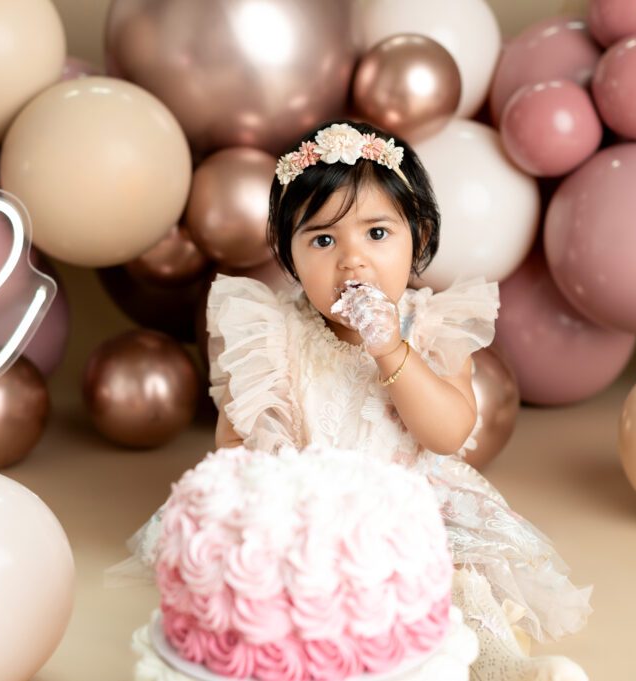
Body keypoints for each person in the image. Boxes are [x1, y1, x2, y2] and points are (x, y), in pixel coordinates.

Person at [129, 120, 592, 681]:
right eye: (323, 240)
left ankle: (499, 667)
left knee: (452, 591)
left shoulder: (430, 327)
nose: (352, 260)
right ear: (290, 257)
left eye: (377, 234)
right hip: (313, 526)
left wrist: (392, 348)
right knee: (302, 612)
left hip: (416, 519)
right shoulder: (273, 336)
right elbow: (238, 451)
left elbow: (447, 433)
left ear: (417, 237)